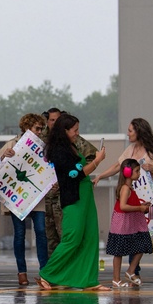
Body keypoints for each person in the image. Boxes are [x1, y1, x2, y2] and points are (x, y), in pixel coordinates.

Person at [95, 118, 153, 287]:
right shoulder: (130, 150)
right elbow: (118, 166)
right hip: (135, 199)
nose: (128, 133)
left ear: (140, 131)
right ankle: (134, 272)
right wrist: (100, 176)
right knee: (132, 234)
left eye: (131, 130)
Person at [38, 113, 109, 291]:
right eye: (75, 130)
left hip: (85, 193)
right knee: (72, 238)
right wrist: (97, 162)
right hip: (73, 196)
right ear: (65, 130)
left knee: (90, 237)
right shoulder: (58, 150)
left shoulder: (72, 146)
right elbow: (75, 175)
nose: (78, 133)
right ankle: (46, 273)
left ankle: (89, 280)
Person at [0, 112, 48, 286]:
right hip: (18, 197)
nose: (39, 131)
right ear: (27, 127)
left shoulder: (43, 146)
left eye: (41, 128)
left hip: (36, 196)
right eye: (37, 128)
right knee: (20, 234)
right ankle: (21, 272)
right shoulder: (12, 144)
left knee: (40, 231)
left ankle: (44, 272)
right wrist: (2, 157)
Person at [42, 108, 98, 256]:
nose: (54, 123)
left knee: (67, 236)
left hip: (68, 195)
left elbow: (89, 157)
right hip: (50, 197)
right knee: (51, 237)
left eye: (57, 119)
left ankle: (58, 272)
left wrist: (92, 164)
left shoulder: (73, 143)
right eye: (51, 120)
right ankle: (50, 272)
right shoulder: (46, 141)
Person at [105, 158, 153, 288]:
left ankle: (130, 271)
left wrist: (141, 205)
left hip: (131, 222)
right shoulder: (125, 188)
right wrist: (140, 208)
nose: (139, 173)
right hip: (122, 223)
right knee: (119, 252)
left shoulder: (129, 188)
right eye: (137, 171)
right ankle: (116, 279)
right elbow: (123, 206)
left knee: (142, 244)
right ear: (127, 172)